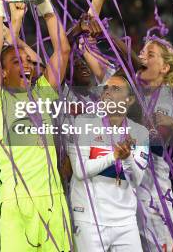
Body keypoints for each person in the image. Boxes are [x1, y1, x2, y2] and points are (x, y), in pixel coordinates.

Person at [0, 0, 72, 252]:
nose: (27, 65)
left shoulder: (43, 93)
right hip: (14, 204)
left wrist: (45, 6)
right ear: (4, 72)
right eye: (17, 61)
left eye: (30, 62)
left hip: (53, 202)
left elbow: (63, 51)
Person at [68, 73, 149, 251]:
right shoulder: (82, 123)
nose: (107, 92)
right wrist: (114, 156)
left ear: (130, 100)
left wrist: (127, 158)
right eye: (105, 88)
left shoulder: (140, 132)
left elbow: (137, 180)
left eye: (116, 89)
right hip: (90, 219)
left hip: (125, 221)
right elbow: (80, 171)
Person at [134, 38, 173, 252]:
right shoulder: (129, 92)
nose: (142, 58)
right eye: (141, 53)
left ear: (164, 67)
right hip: (124, 196)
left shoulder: (172, 100)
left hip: (154, 198)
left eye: (150, 55)